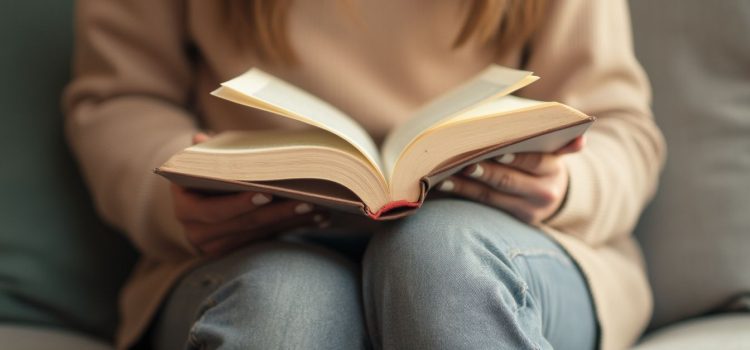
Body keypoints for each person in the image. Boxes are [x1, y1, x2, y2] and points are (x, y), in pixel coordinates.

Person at [64, 1, 665, 349]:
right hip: (252, 250)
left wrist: (568, 186)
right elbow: (120, 97)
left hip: (498, 244)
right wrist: (174, 194)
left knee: (439, 262)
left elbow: (620, 127)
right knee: (284, 307)